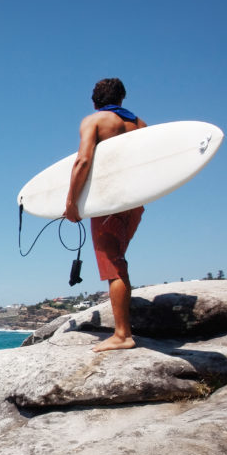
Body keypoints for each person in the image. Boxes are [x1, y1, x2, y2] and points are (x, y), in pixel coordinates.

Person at [64, 78, 147, 352]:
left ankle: (123, 334)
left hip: (110, 201)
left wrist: (71, 202)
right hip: (135, 201)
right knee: (118, 260)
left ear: (94, 100)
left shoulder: (95, 121)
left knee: (113, 265)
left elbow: (83, 160)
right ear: (121, 99)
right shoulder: (140, 124)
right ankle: (123, 330)